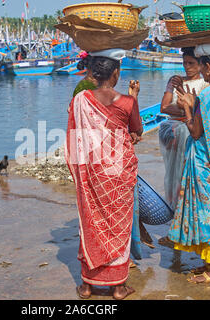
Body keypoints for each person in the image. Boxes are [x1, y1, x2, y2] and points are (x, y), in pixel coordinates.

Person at [65, 50, 143, 300]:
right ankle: (118, 288)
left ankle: (87, 286)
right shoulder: (127, 102)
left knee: (91, 221)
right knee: (119, 225)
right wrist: (134, 98)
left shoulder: (81, 100)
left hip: (92, 172)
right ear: (116, 73)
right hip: (118, 173)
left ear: (94, 73)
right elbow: (137, 131)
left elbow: (75, 134)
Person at [167, 43, 210, 284]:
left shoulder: (208, 93)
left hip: (205, 162)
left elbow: (196, 131)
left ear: (207, 66)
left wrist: (187, 106)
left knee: (209, 213)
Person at [158, 47, 209, 247]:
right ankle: (176, 230)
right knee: (174, 181)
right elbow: (164, 107)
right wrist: (178, 98)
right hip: (175, 136)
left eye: (192, 64)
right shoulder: (176, 81)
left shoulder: (204, 84)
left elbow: (200, 111)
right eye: (185, 63)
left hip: (190, 135)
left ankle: (187, 231)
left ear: (201, 65)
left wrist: (183, 106)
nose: (187, 68)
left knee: (188, 183)